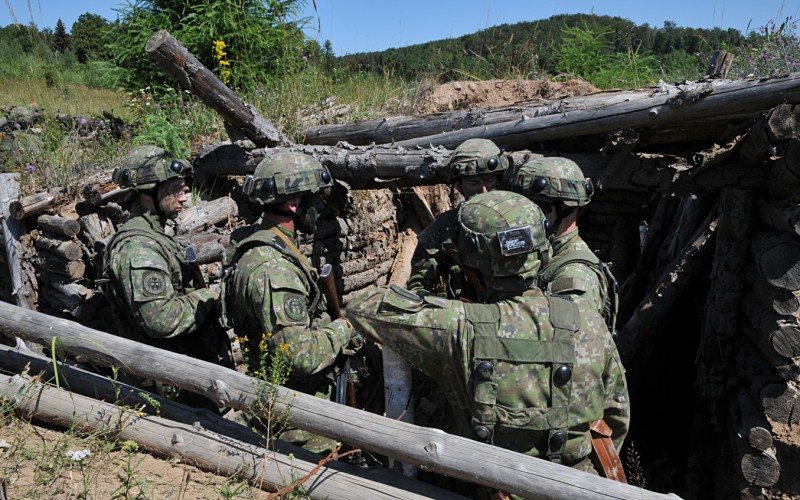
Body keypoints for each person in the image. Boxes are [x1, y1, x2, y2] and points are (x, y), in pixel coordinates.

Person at [346, 190, 629, 483]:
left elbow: (362, 307)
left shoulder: (458, 326)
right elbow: (616, 417)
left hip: (496, 487)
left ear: (470, 259)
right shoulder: (588, 321)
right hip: (580, 486)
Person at [220, 151, 362, 453]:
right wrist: (341, 330)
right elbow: (299, 356)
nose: (320, 207)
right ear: (294, 204)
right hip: (295, 425)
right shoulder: (275, 270)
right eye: (315, 200)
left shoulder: (268, 246)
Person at [102, 145, 232, 403]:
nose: (184, 198)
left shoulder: (155, 235)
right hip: (166, 389)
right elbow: (160, 319)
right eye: (175, 191)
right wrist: (208, 297)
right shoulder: (139, 247)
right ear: (148, 193)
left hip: (179, 374)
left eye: (183, 189)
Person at [504, 157, 618, 332]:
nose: (524, 216)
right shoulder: (543, 253)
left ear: (566, 209)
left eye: (537, 207)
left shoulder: (576, 275)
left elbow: (564, 341)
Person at [407, 138, 508, 301]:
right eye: (474, 183)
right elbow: (419, 288)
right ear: (458, 185)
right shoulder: (445, 227)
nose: (483, 191)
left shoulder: (520, 219)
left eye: (489, 180)